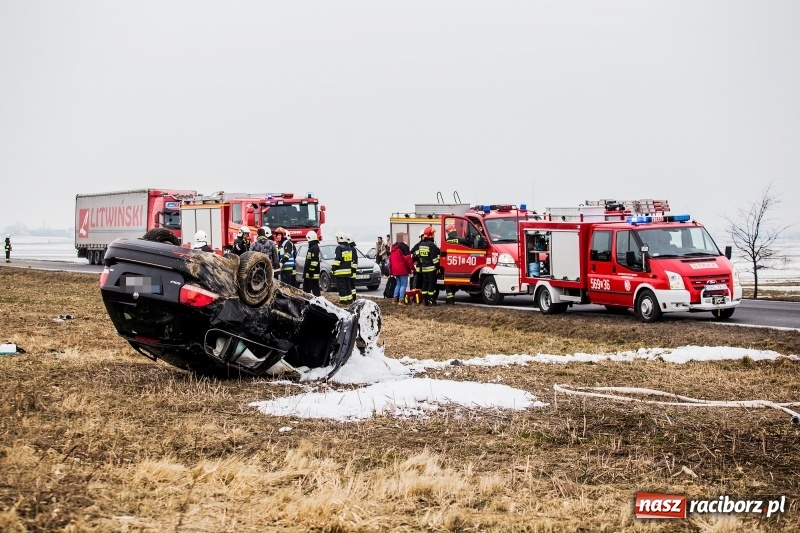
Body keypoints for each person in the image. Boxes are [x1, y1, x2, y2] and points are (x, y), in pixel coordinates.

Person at [413, 226, 440, 306]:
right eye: (433, 234)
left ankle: (425, 300)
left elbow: (419, 257)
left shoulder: (421, 245)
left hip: (424, 268)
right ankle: (431, 300)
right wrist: (438, 268)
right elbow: (434, 259)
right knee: (432, 285)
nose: (434, 236)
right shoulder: (432, 245)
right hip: (431, 269)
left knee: (425, 284)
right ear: (430, 235)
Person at [443, 223, 469, 304]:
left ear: (448, 232)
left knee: (449, 281)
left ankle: (450, 298)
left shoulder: (446, 241)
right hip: (461, 264)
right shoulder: (461, 240)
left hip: (449, 264)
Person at [331, 231, 354, 305]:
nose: (336, 239)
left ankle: (343, 301)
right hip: (347, 272)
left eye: (337, 238)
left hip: (340, 272)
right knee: (348, 286)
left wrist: (333, 268)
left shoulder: (339, 248)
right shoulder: (349, 248)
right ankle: (349, 300)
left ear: (340, 238)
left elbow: (337, 260)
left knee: (342, 287)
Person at [388, 239, 413, 304]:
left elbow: (390, 261)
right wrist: (412, 268)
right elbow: (407, 259)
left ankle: (395, 299)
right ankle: (401, 300)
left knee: (398, 284)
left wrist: (391, 271)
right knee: (403, 285)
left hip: (395, 270)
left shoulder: (393, 249)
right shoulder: (403, 247)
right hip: (403, 269)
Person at [302, 230, 321, 296]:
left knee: (315, 290)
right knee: (306, 290)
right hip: (309, 275)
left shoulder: (314, 248)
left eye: (308, 238)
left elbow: (314, 262)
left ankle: (318, 303)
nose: (307, 240)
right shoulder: (312, 247)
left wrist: (310, 272)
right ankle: (306, 302)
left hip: (312, 275)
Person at [348, 234, 358, 300]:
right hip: (352, 270)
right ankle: (353, 297)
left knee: (351, 285)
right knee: (352, 285)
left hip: (351, 270)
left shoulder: (351, 249)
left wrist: (352, 270)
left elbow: (354, 261)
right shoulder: (353, 249)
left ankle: (353, 298)